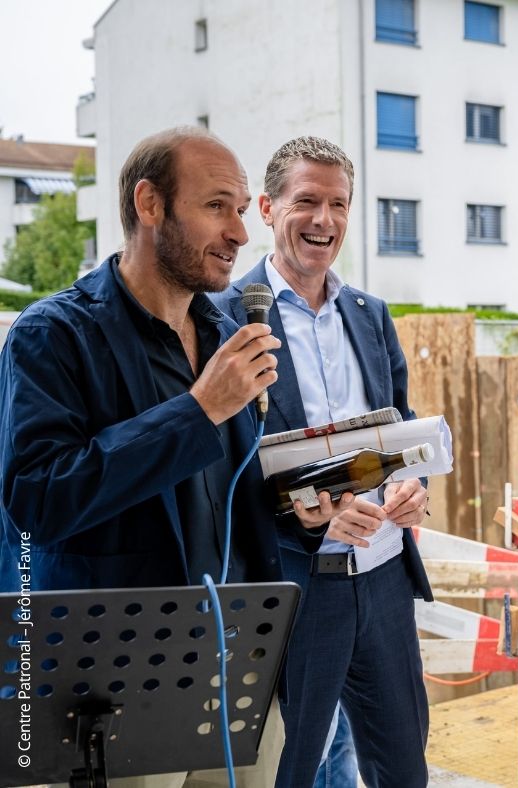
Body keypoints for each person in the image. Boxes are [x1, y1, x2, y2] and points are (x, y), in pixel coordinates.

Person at [0, 127, 346, 787]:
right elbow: (38, 501)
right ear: (150, 205)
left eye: (242, 209)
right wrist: (197, 411)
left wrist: (300, 509)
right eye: (218, 206)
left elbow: (235, 494)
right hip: (116, 682)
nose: (241, 234)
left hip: (241, 659)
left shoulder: (227, 334)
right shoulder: (52, 335)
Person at [215, 135, 432, 788]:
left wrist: (413, 486)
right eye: (307, 200)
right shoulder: (222, 318)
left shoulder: (371, 314)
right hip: (297, 589)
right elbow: (220, 474)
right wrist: (307, 516)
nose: (325, 220)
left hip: (385, 576)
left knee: (403, 771)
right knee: (290, 772)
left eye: (339, 203)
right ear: (267, 208)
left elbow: (398, 435)